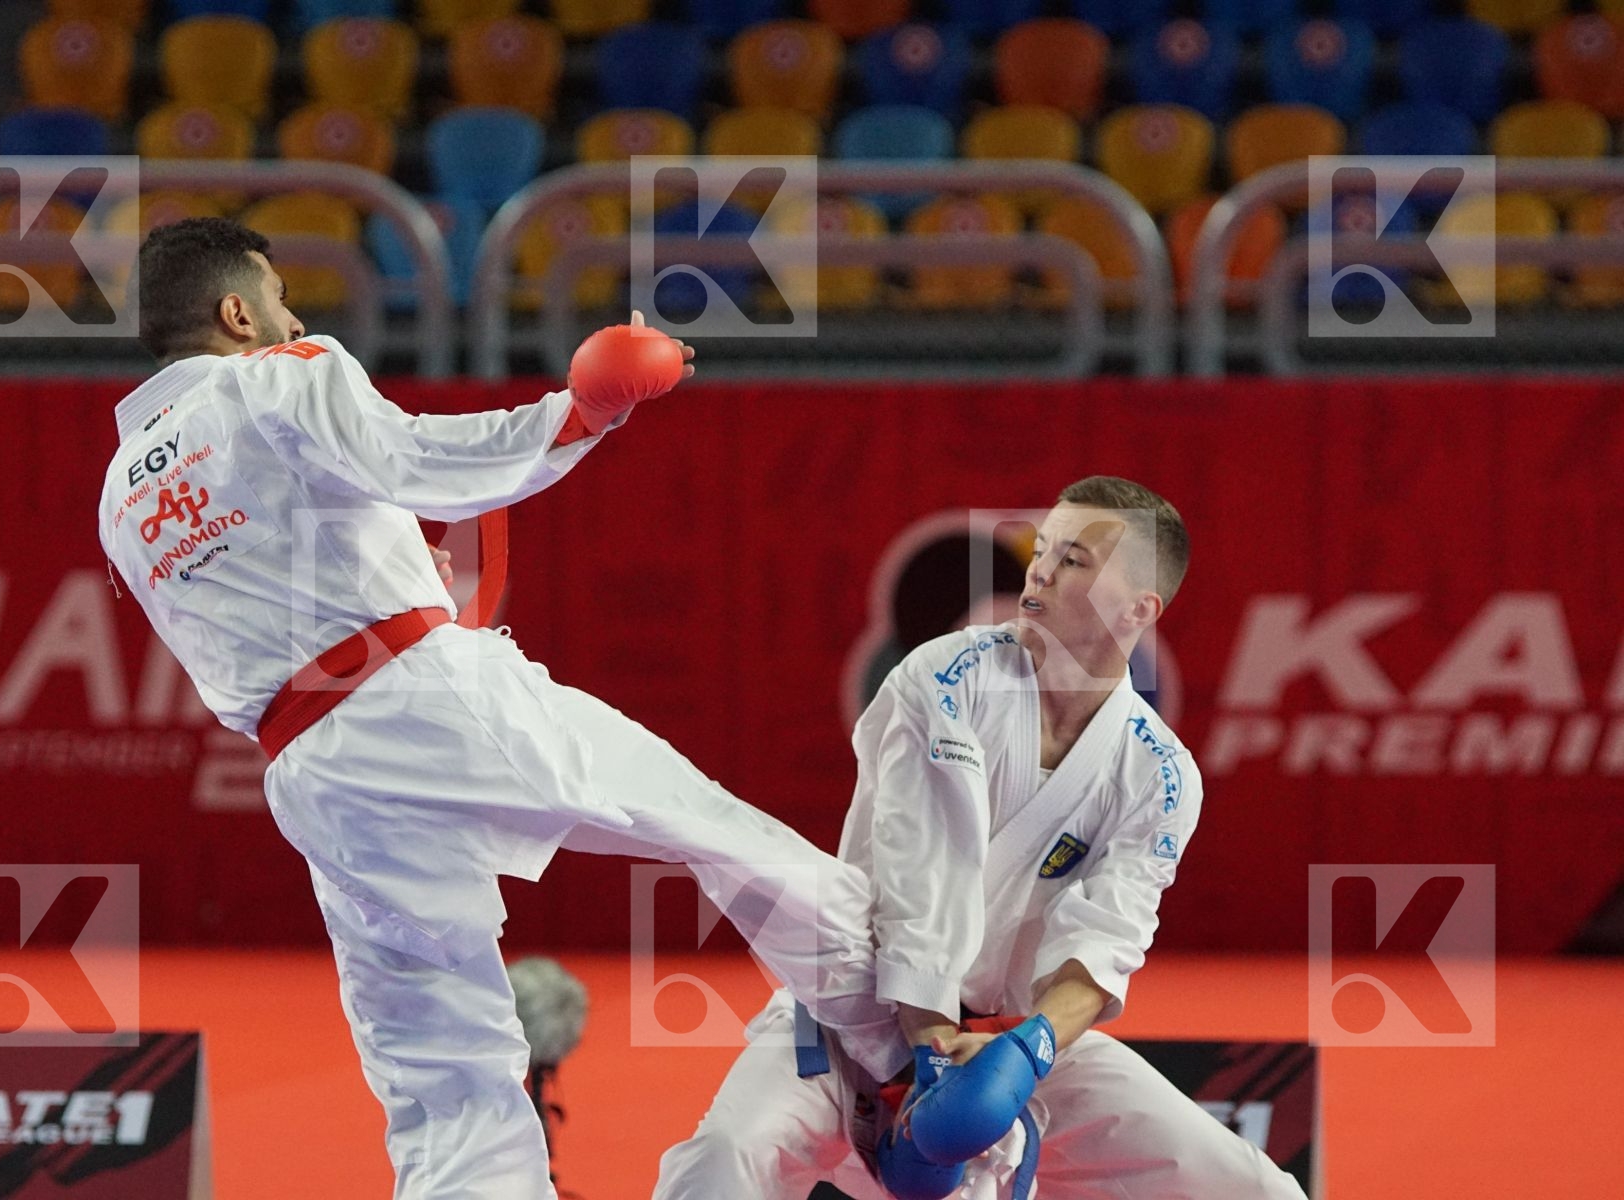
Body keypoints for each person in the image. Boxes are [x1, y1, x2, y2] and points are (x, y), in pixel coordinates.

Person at [97, 218, 909, 1198]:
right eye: (277, 297)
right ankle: (901, 1063)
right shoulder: (278, 373)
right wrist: (582, 411)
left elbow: (271, 593)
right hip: (428, 702)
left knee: (445, 1081)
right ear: (238, 311)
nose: (294, 315)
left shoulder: (120, 492)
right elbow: (414, 460)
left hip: (316, 773)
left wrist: (404, 580)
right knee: (723, 835)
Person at [655, 477, 1308, 1199]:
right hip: (856, 1015)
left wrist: (1027, 1052)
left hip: (1003, 1049)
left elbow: (1105, 940)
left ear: (1138, 610)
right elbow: (923, 877)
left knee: (1258, 1190)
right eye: (1044, 548)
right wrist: (930, 1072)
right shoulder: (946, 679)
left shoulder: (1160, 773)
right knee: (721, 1159)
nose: (1041, 569)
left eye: (1076, 560)